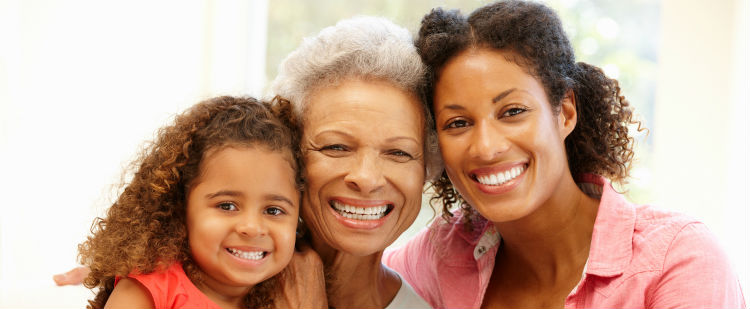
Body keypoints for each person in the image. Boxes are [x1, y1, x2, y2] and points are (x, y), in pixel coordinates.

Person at [383, 1, 746, 308]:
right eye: (458, 122)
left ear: (566, 112)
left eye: (512, 112)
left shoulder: (678, 261)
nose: (487, 147)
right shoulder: (440, 256)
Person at [268, 16, 438, 308]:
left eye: (399, 153)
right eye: (336, 147)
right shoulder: (205, 285)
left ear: (427, 168)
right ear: (291, 155)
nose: (367, 178)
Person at [77, 96, 308, 309]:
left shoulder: (291, 293)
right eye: (227, 206)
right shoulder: (151, 290)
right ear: (181, 207)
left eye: (273, 210)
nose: (252, 227)